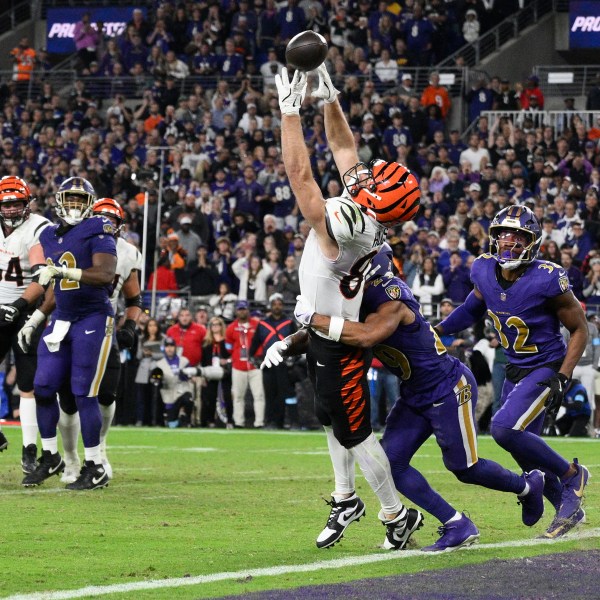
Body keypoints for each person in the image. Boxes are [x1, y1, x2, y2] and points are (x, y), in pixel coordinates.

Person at [293, 245, 545, 551]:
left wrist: (314, 318)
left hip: (447, 388)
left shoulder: (391, 298)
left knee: (464, 468)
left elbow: (365, 335)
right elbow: (331, 331)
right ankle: (457, 524)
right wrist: (287, 342)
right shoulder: (360, 299)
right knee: (391, 464)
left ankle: (527, 485)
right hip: (414, 392)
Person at [272, 61, 422, 550]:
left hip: (338, 337)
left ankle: (397, 516)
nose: (367, 177)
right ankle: (344, 497)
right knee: (331, 420)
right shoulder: (368, 213)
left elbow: (301, 177)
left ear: (380, 204)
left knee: (357, 434)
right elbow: (342, 146)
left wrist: (290, 113)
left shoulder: (351, 226)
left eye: (378, 182)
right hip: (322, 328)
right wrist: (329, 96)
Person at [435, 205, 590, 538]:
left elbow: (580, 329)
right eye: (505, 237)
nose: (510, 244)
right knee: (524, 454)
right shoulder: (482, 269)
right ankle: (568, 509)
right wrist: (439, 330)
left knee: (504, 428)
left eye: (519, 239)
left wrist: (563, 375)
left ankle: (573, 475)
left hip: (545, 366)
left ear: (532, 244)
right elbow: (472, 308)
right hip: (515, 367)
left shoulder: (547, 278)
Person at [17, 177, 117, 490]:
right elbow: (55, 288)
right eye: (69, 200)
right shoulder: (48, 234)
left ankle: (94, 464)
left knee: (83, 391)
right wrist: (34, 319)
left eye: (79, 200)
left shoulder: (99, 227)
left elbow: (104, 274)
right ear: (60, 201)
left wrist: (63, 271)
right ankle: (50, 456)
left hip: (94, 317)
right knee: (43, 386)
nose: (74, 205)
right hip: (61, 317)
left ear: (89, 203)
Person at [56, 198, 143, 483]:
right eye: (100, 217)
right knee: (67, 398)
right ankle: (70, 459)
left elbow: (134, 297)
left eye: (112, 220)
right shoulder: (74, 240)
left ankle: (99, 450)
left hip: (103, 324)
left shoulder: (128, 253)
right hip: (68, 321)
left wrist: (130, 325)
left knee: (105, 394)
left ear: (121, 226)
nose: (105, 224)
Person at [0, 176, 50, 473]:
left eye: (16, 203)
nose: (10, 209)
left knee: (27, 383)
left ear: (27, 203)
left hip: (25, 310)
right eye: (6, 204)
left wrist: (18, 306)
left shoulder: (37, 227)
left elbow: (42, 275)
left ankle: (29, 448)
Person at [249, 293, 296, 430]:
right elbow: (254, 345)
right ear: (270, 306)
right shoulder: (263, 324)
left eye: (279, 304)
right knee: (269, 394)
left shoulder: (289, 323)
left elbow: (296, 343)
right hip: (268, 363)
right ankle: (271, 422)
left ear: (282, 306)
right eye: (274, 304)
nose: (277, 307)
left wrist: (293, 359)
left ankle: (282, 422)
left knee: (283, 393)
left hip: (283, 364)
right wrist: (254, 360)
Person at [225, 300, 265, 428]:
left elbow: (262, 342)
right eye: (240, 309)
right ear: (236, 311)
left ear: (248, 310)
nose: (242, 311)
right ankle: (238, 422)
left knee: (258, 395)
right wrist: (236, 358)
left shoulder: (257, 325)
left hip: (255, 366)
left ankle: (259, 422)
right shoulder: (231, 328)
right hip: (238, 367)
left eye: (244, 309)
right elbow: (229, 348)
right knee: (237, 396)